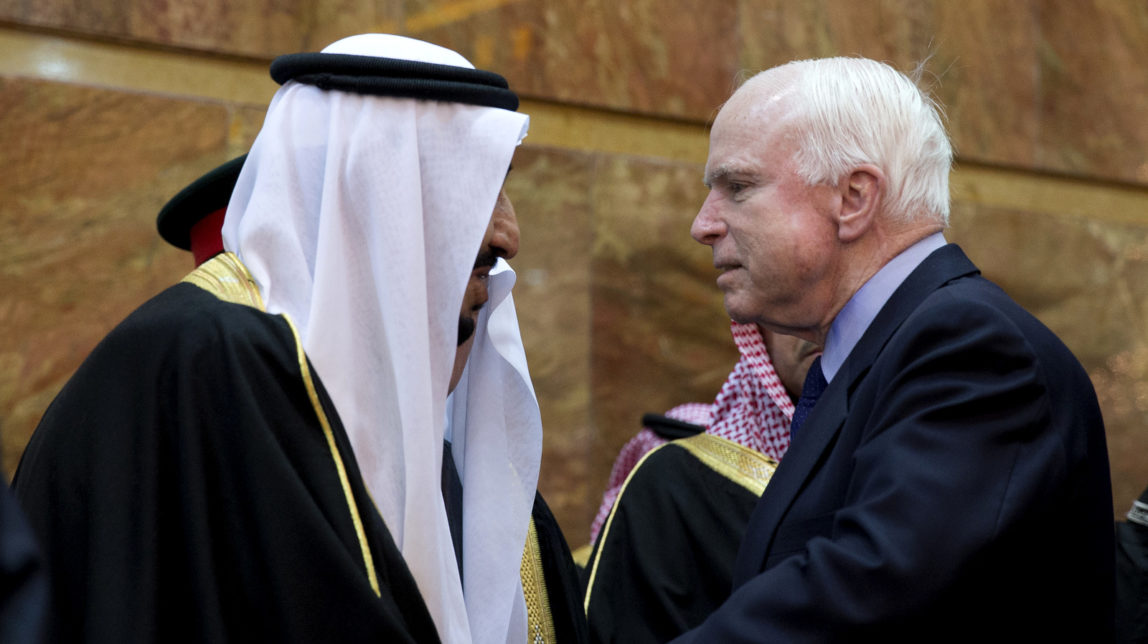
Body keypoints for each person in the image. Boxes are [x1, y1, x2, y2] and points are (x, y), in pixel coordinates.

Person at [13, 33, 566, 643]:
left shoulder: (448, 464)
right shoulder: (205, 366)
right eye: (477, 189)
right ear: (374, 187)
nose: (508, 236)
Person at [668, 57, 1113, 641]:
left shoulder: (971, 349)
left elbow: (865, 591)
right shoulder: (882, 353)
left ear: (854, 197)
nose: (703, 224)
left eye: (739, 187)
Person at [582, 323, 818, 642]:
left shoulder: (894, 460)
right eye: (795, 299)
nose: (820, 326)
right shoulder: (676, 470)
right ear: (758, 330)